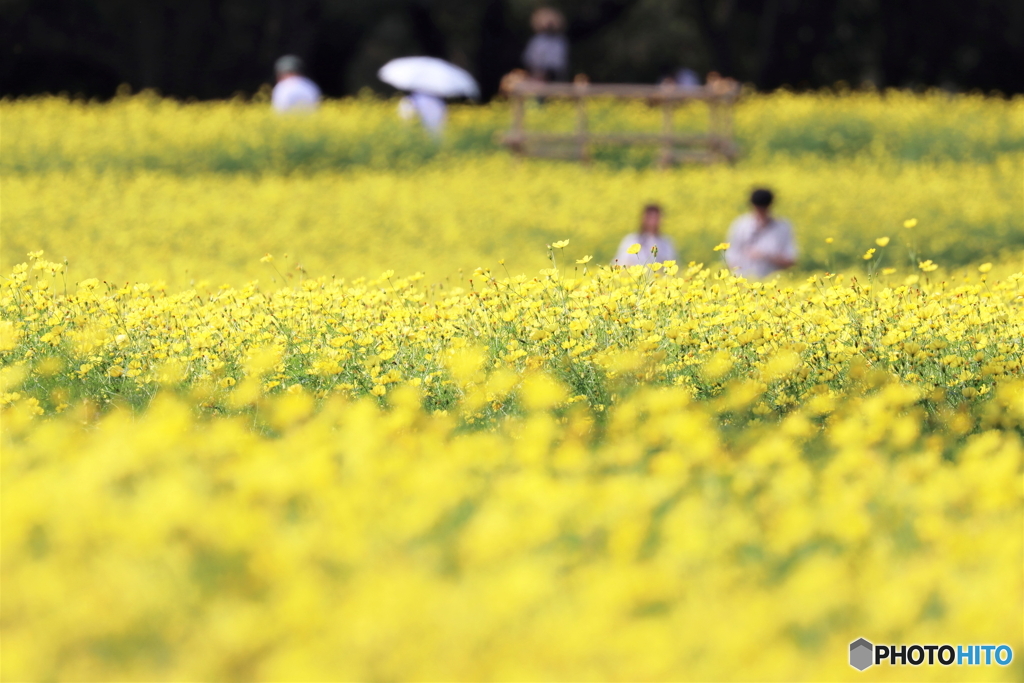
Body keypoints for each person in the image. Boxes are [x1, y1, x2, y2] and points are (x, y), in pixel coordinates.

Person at [724, 189, 797, 279]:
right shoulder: (740, 225)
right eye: (758, 208)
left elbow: (791, 261)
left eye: (764, 208)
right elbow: (729, 257)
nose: (761, 213)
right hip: (742, 282)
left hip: (774, 283)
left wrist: (765, 256)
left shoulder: (782, 227)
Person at [613, 204, 678, 267]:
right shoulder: (631, 240)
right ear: (643, 219)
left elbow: (673, 264)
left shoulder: (667, 242)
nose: (653, 222)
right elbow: (621, 263)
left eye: (656, 218)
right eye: (650, 218)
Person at [523, 8, 569, 82]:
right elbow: (530, 60)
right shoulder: (536, 40)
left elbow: (560, 63)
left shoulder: (560, 41)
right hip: (536, 75)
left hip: (554, 76)